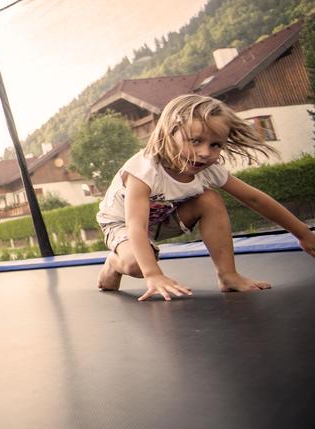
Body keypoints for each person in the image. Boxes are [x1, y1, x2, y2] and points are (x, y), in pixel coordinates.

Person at [96, 93, 315, 301]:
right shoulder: (144, 169)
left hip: (164, 219)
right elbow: (135, 225)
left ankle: (228, 275)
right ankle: (114, 264)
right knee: (137, 265)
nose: (205, 153)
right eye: (195, 141)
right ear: (170, 133)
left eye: (215, 145)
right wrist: (153, 274)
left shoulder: (208, 169)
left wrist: (303, 233)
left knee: (209, 199)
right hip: (122, 223)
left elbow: (254, 199)